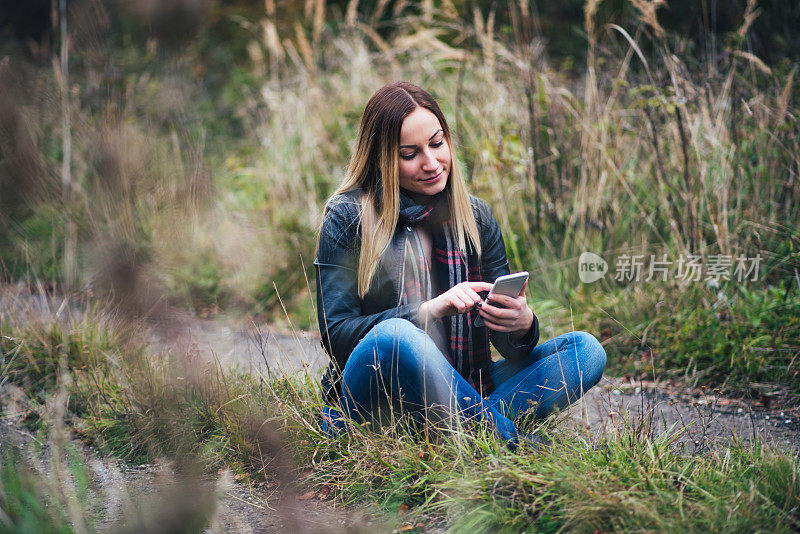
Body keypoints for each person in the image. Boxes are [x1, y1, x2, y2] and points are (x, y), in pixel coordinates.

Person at [314, 82, 606, 449]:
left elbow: (513, 352)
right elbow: (336, 335)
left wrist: (521, 324)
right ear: (381, 158)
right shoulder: (348, 217)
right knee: (397, 335)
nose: (432, 163)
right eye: (410, 154)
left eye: (437, 144)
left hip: (463, 386)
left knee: (586, 351)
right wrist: (427, 311)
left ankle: (450, 432)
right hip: (374, 405)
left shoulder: (476, 217)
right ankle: (507, 443)